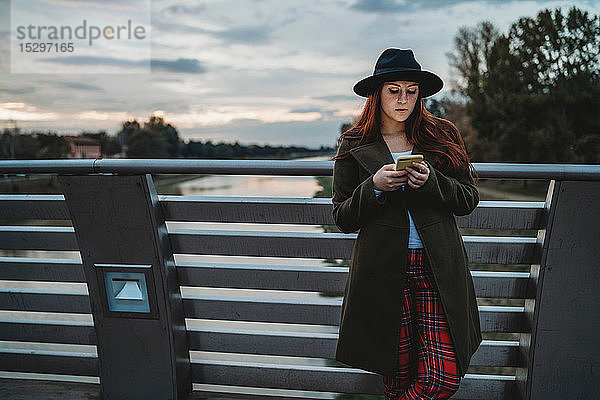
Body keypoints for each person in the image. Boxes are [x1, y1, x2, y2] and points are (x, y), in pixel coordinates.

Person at [330, 48, 482, 399]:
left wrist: (432, 183)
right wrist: (374, 188)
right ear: (377, 93)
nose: (403, 99)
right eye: (394, 90)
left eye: (411, 91)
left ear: (420, 94)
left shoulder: (441, 134)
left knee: (442, 378)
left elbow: (468, 199)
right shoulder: (354, 142)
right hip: (383, 272)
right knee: (397, 380)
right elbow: (341, 217)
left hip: (437, 268)